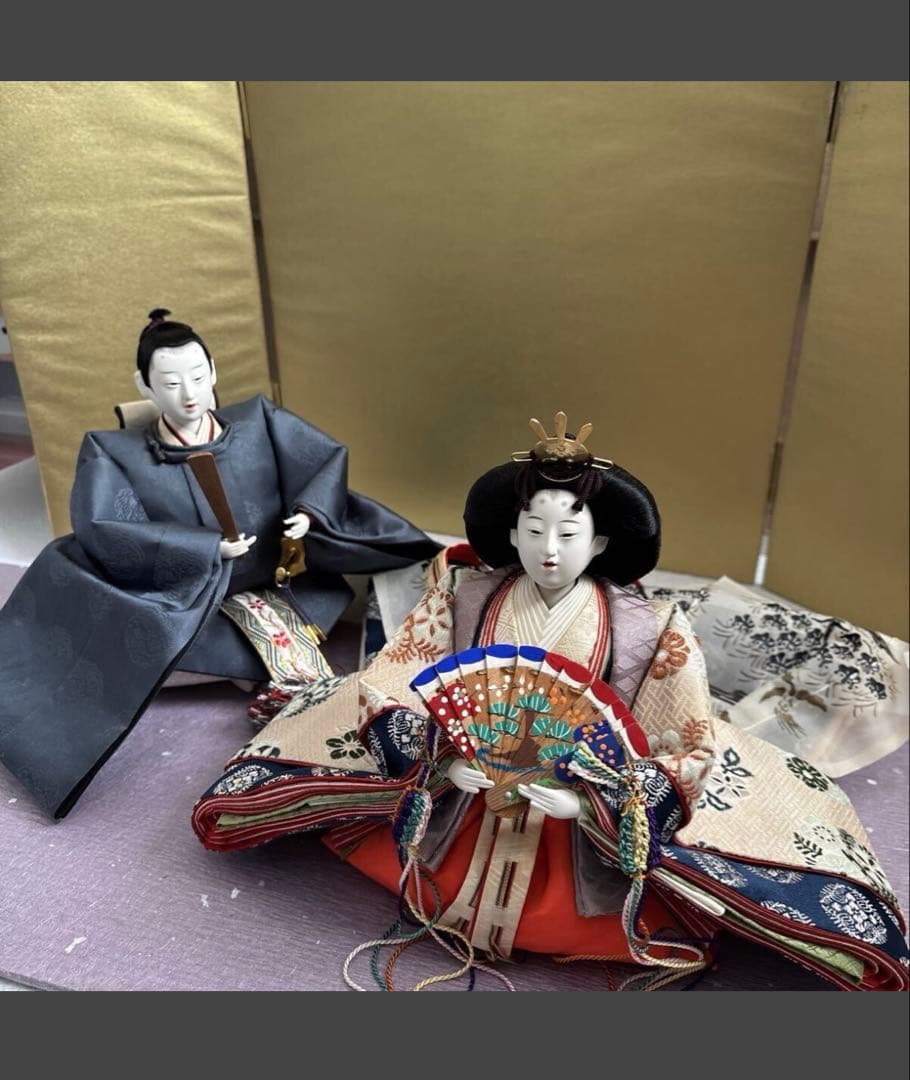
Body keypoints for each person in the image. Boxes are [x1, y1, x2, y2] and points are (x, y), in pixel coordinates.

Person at [193, 413, 909, 990]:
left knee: (622, 895)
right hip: (468, 794)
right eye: (534, 531)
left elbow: (687, 741)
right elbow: (396, 674)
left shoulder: (648, 627)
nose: (550, 549)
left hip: (572, 814)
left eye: (569, 533)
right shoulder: (464, 594)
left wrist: (591, 800)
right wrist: (441, 758)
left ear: (599, 543)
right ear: (512, 534)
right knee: (362, 804)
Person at [0, 309, 438, 819]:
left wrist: (307, 513)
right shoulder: (112, 451)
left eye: (197, 376)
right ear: (144, 385)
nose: (188, 394)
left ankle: (324, 710)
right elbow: (107, 527)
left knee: (397, 567)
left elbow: (321, 461)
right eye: (170, 383)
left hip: (279, 579)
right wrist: (204, 550)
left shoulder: (259, 421)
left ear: (213, 371)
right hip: (191, 597)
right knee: (114, 646)